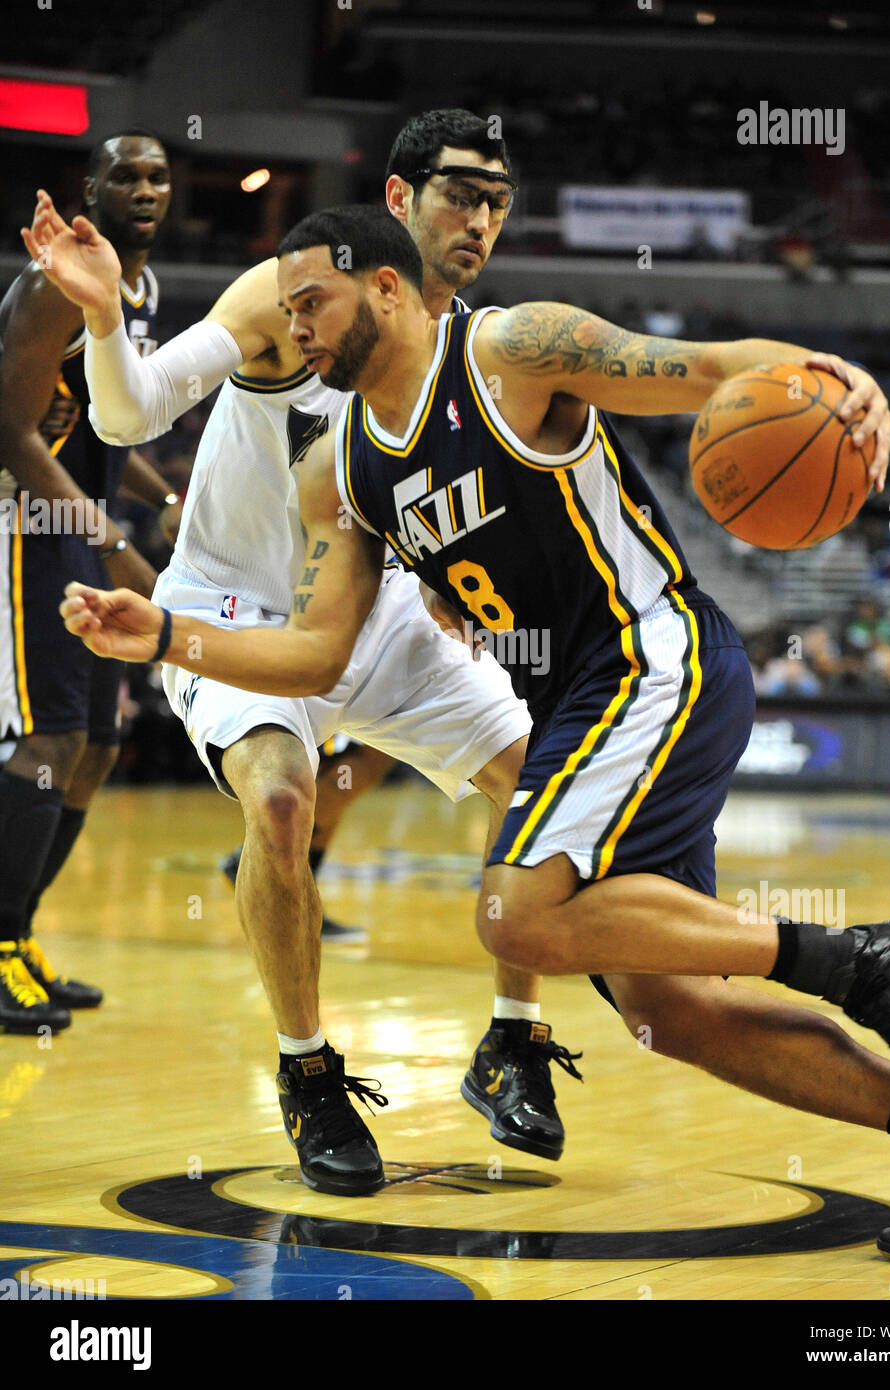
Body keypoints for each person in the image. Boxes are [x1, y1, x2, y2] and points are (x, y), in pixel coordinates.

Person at [61, 206, 890, 1261]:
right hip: (583, 708)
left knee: (514, 915)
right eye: (288, 306)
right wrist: (167, 637)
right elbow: (318, 657)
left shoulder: (508, 352)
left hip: (655, 654)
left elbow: (705, 368)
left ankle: (862, 958)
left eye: (311, 299)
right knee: (670, 1011)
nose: (295, 325)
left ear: (389, 288)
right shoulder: (338, 470)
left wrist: (836, 377)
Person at [30, 111, 582, 1189]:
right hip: (234, 612)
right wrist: (102, 323)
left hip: (371, 619)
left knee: (538, 787)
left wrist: (450, 581)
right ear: (396, 200)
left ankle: (513, 1038)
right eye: (460, 192)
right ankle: (307, 1069)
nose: (480, 219)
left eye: (498, 201)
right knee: (279, 800)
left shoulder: (470, 342)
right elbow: (132, 412)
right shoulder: (288, 290)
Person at [0, 130, 179, 1035]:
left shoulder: (138, 291)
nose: (145, 189)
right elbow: (13, 430)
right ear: (92, 186)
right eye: (126, 175)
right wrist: (109, 542)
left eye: (158, 176)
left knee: (98, 745)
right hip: (30, 523)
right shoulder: (50, 285)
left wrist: (168, 492)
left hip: (85, 519)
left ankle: (19, 935)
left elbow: (116, 425)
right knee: (48, 741)